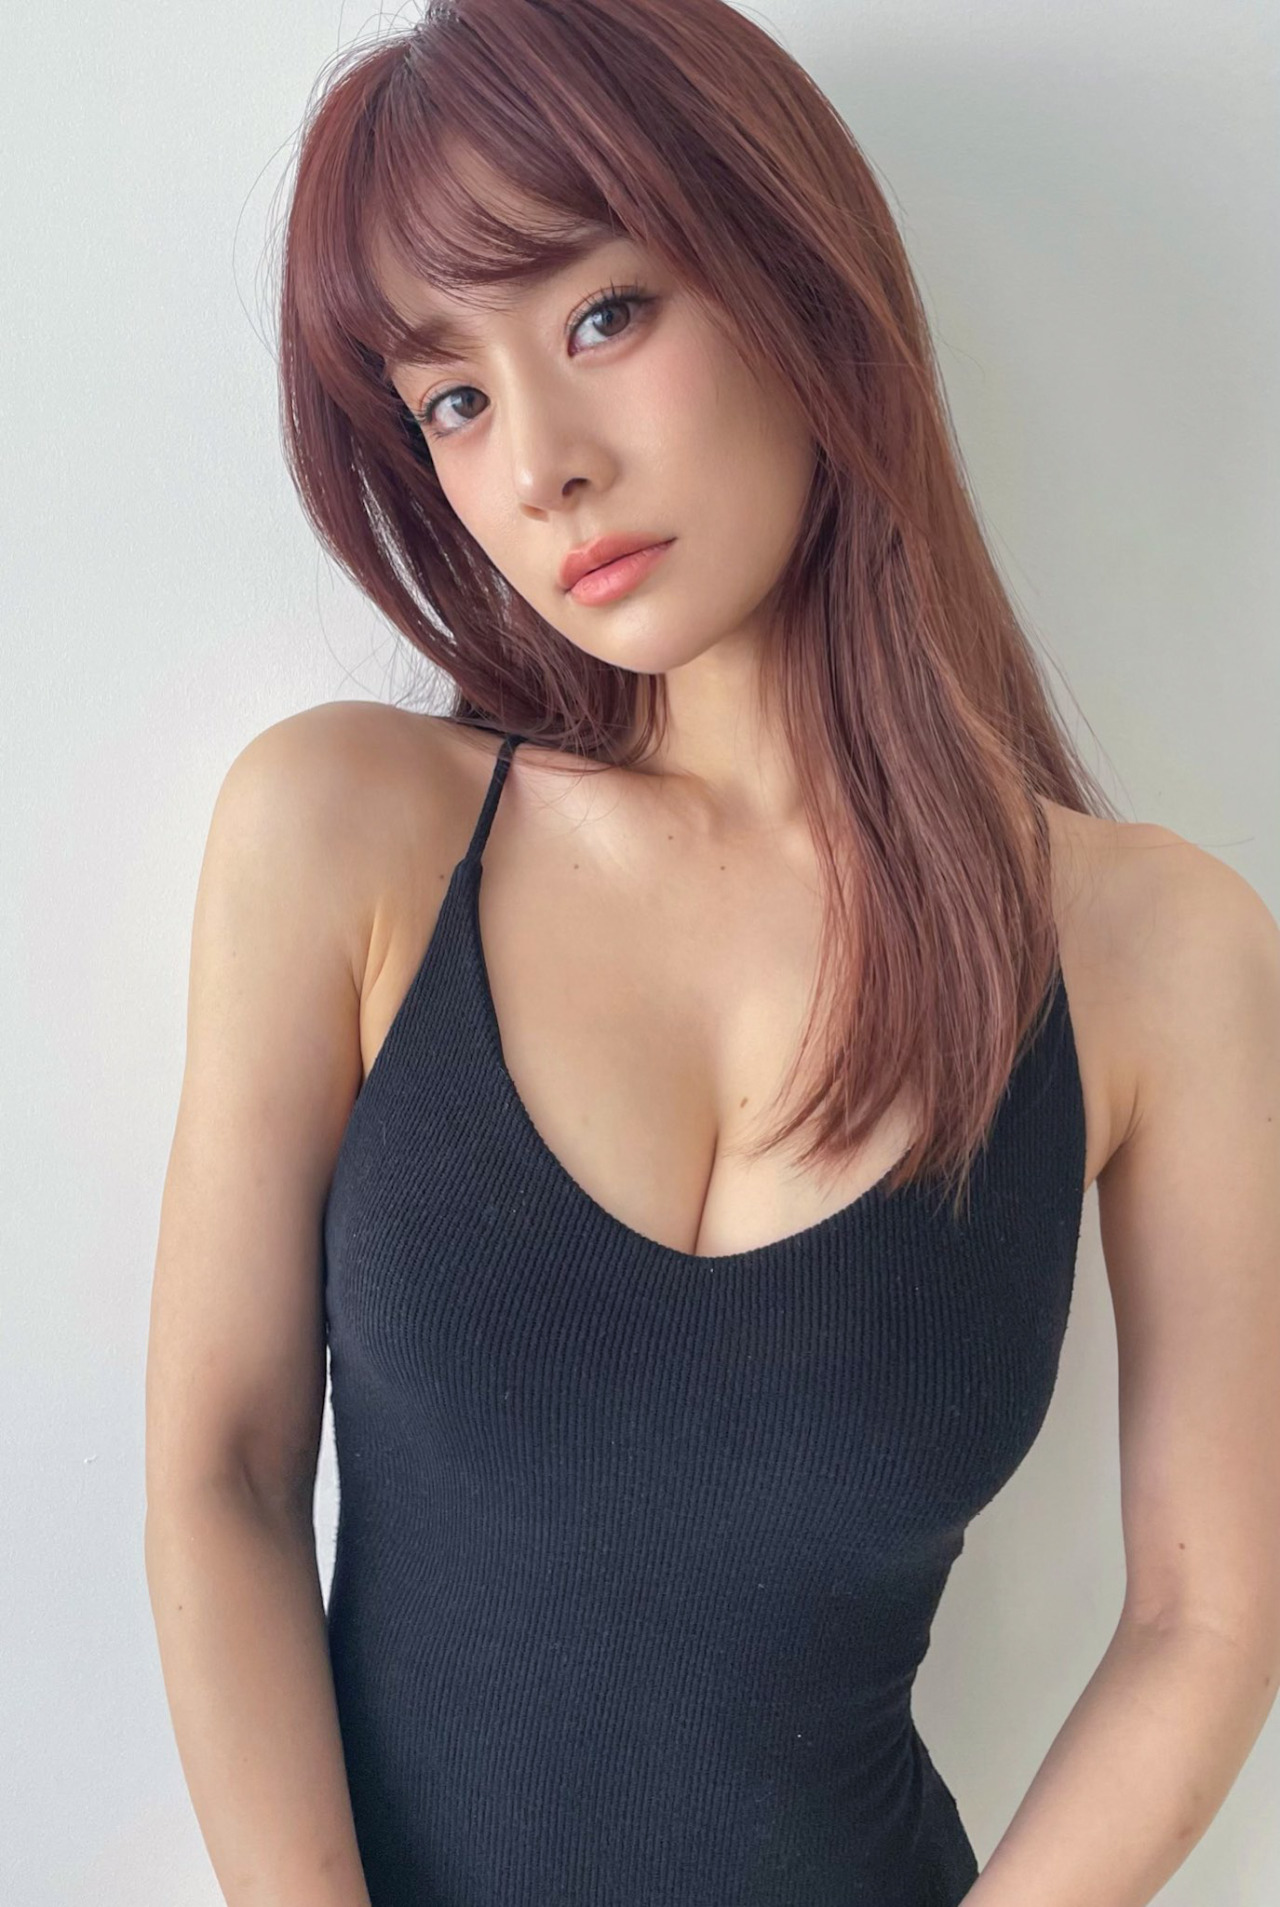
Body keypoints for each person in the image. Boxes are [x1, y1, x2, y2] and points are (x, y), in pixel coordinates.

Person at [143, 2, 1280, 1904]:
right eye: (453, 401)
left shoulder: (1158, 953)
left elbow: (1208, 1616)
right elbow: (224, 1477)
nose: (541, 466)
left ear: (793, 270)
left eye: (603, 314)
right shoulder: (348, 833)